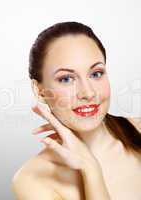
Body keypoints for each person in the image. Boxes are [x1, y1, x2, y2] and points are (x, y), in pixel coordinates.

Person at [11, 21, 141, 200]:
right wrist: (91, 170)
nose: (87, 93)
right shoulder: (32, 180)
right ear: (39, 90)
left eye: (96, 74)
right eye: (66, 79)